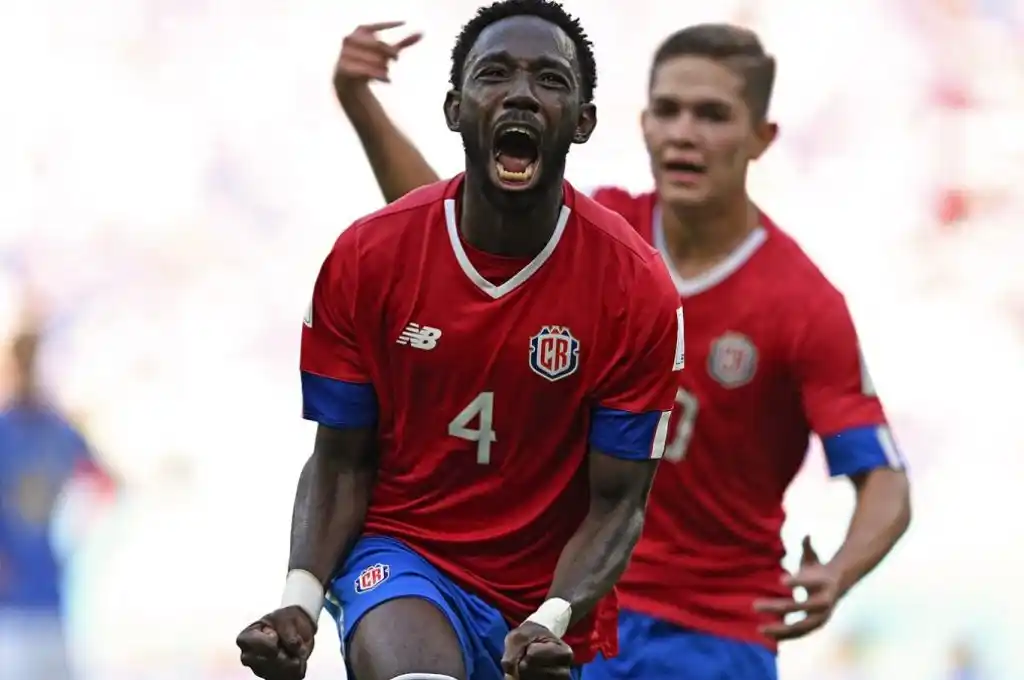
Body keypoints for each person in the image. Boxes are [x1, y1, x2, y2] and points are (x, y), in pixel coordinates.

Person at [330, 19, 913, 680]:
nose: (684, 133)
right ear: (641, 124)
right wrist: (361, 102)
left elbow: (885, 477)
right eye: (667, 111)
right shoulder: (590, 238)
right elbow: (437, 227)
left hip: (712, 631)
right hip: (569, 612)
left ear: (761, 138)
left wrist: (837, 572)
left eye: (713, 115)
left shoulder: (803, 303)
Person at [235, 2, 685, 679]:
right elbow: (340, 461)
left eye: (552, 80)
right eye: (494, 73)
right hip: (404, 557)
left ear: (585, 121)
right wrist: (298, 599)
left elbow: (619, 502)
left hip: (542, 607)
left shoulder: (633, 287)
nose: (523, 94)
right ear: (454, 108)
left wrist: (551, 616)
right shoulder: (369, 256)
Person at [0, 325, 112, 680]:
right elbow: (106, 482)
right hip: (25, 599)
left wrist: (77, 538)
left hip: (37, 599)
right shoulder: (53, 430)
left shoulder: (54, 429)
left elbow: (105, 482)